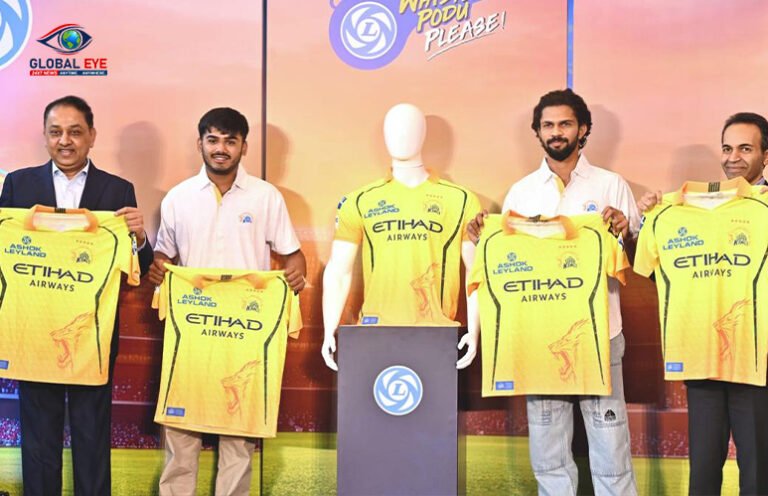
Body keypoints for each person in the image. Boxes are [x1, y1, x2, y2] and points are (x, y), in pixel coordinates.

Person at [465, 89, 639, 495]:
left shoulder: (611, 186)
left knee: (611, 448)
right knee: (549, 454)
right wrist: (481, 236)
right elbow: (505, 263)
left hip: (600, 335)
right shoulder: (521, 192)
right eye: (548, 125)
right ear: (538, 132)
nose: (556, 132)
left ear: (583, 129)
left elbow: (635, 255)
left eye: (565, 124)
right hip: (539, 339)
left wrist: (625, 230)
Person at [148, 107, 306, 496]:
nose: (221, 149)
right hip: (192, 331)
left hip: (244, 332)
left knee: (239, 437)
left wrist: (296, 276)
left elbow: (293, 256)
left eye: (230, 141)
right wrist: (158, 269)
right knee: (181, 433)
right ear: (200, 143)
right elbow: (163, 256)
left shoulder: (266, 197)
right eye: (213, 140)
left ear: (243, 147)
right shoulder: (178, 198)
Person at [0, 95, 153, 496]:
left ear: (91, 136)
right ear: (45, 136)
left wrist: (139, 236)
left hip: (93, 339)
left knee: (92, 436)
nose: (64, 140)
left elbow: (140, 267)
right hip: (36, 335)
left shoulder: (118, 190)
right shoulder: (17, 185)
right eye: (56, 132)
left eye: (75, 132)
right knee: (38, 441)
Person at [636, 112, 768, 495]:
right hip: (701, 357)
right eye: (727, 148)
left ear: (766, 155)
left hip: (756, 362)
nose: (733, 157)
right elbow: (652, 269)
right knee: (703, 471)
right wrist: (650, 218)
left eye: (745, 148)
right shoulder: (679, 211)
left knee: (758, 473)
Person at [321, 103, 479, 370]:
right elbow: (338, 271)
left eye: (410, 128)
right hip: (375, 331)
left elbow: (475, 273)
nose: (401, 135)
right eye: (392, 129)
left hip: (436, 333)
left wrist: (474, 332)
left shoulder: (461, 200)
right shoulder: (360, 200)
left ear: (423, 134)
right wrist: (329, 330)